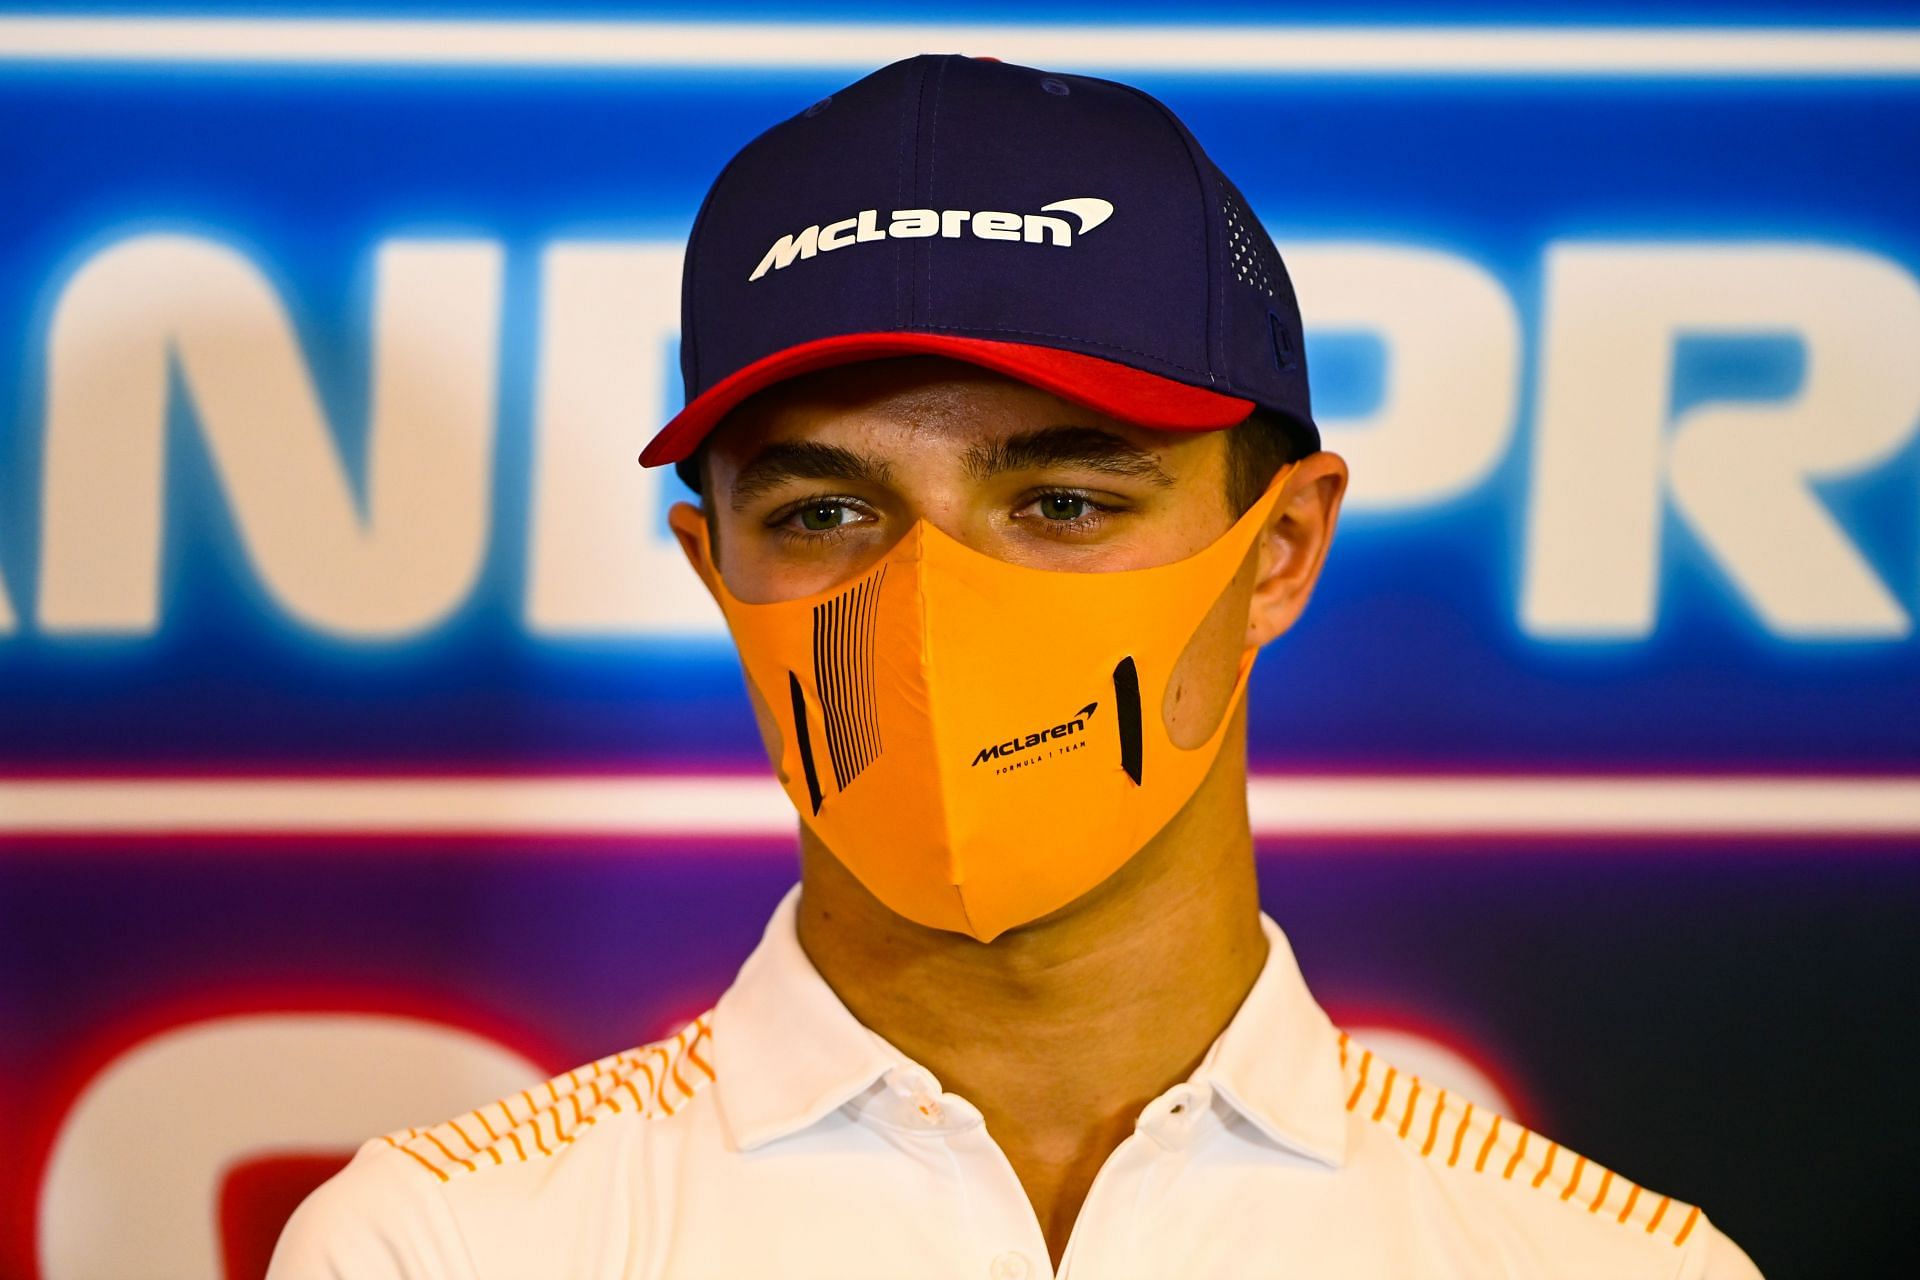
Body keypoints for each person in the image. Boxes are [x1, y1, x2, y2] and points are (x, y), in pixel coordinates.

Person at [269, 53, 1763, 1279]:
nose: (932, 604)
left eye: (1064, 501)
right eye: (827, 512)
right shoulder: (439, 1247)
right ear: (717, 573)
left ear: (1282, 549)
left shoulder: (1607, 1264)